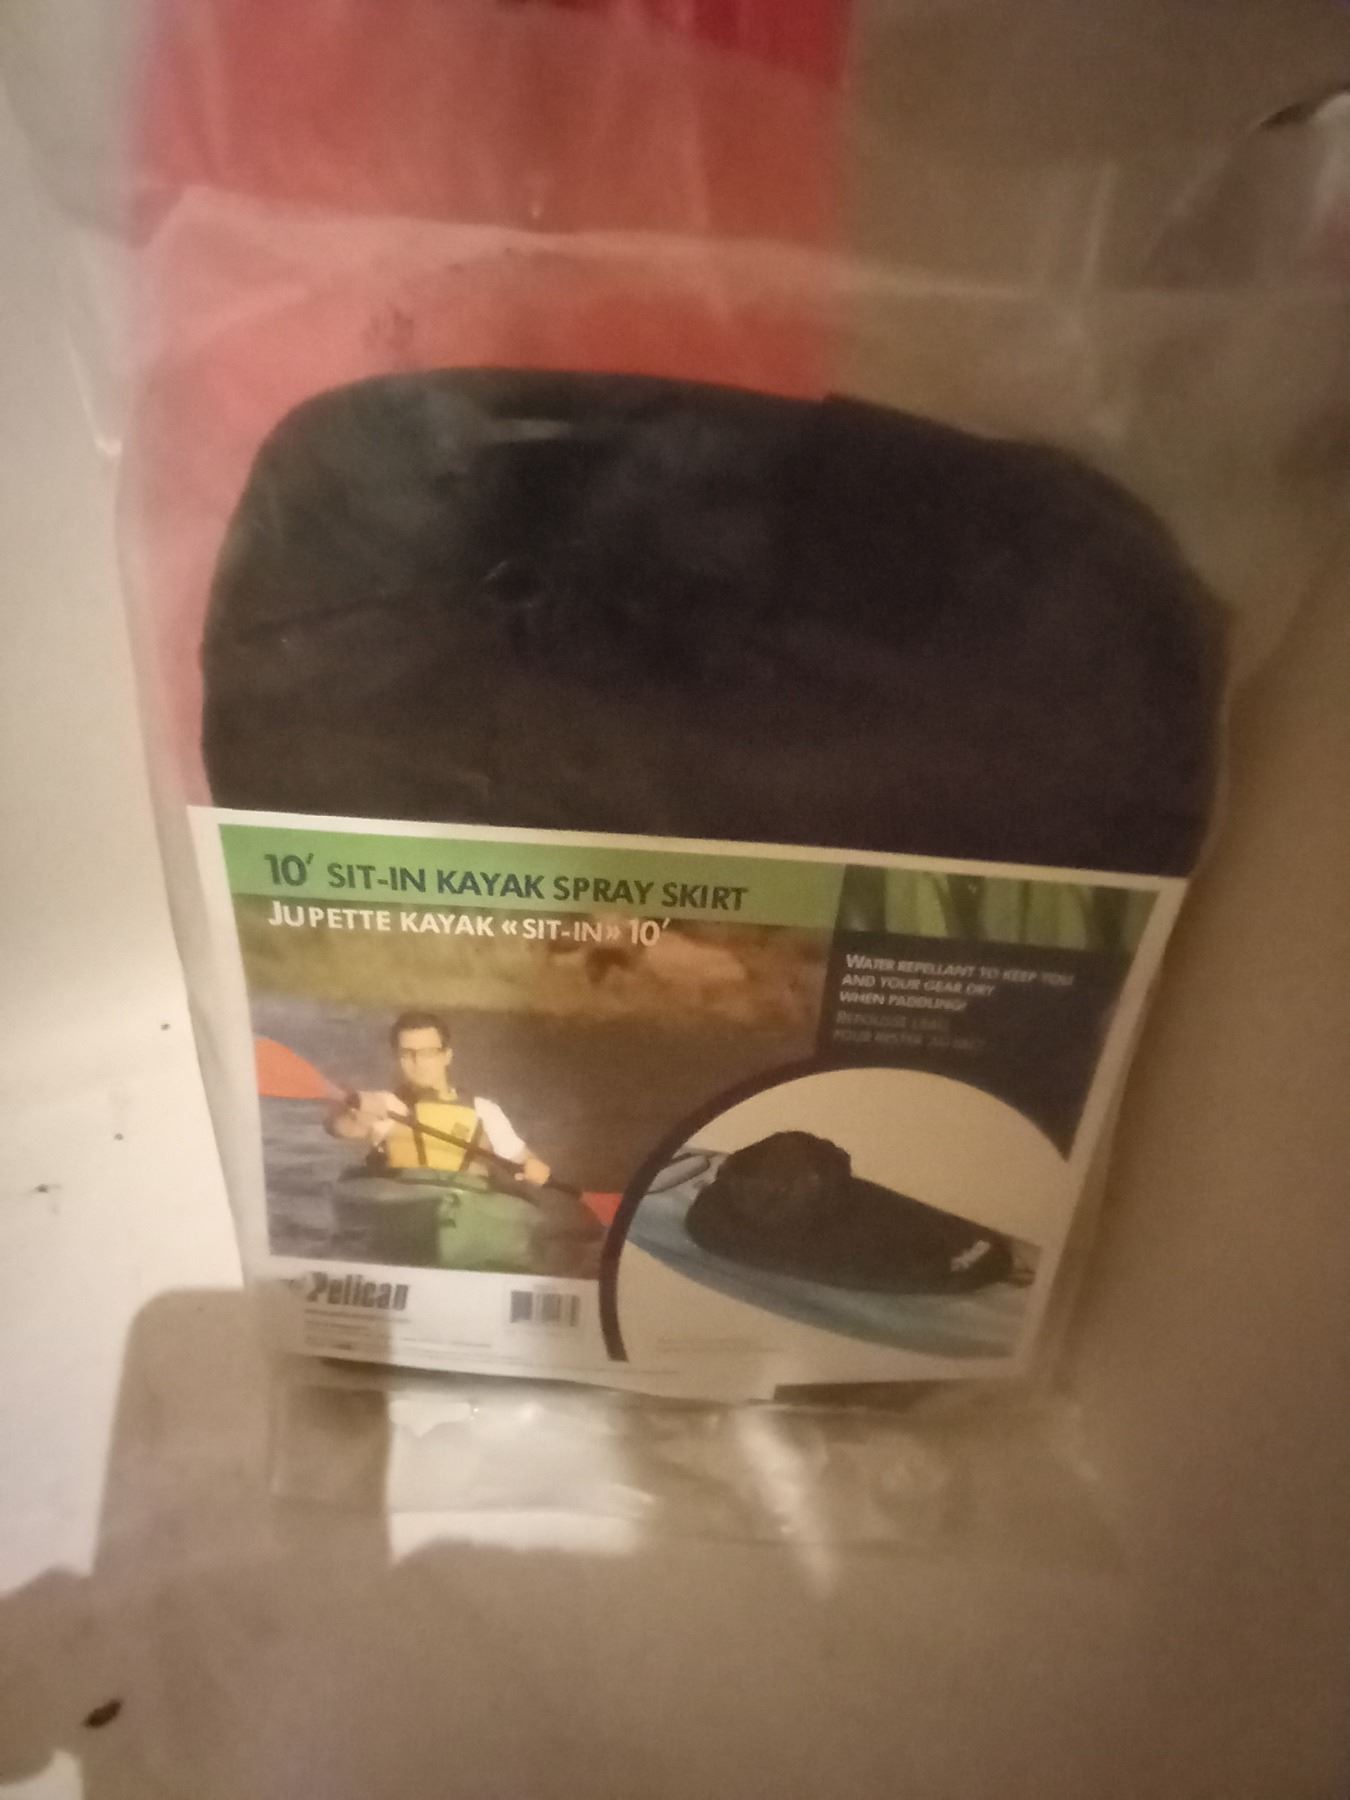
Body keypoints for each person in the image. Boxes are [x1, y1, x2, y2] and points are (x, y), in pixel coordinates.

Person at [327, 1011, 551, 1189]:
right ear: (397, 1058)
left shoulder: (484, 1111)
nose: (418, 1062)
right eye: (407, 1053)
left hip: (470, 1204)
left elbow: (524, 1159)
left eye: (428, 1053)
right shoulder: (386, 1104)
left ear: (446, 1056)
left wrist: (535, 1167)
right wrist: (353, 1112)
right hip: (405, 1202)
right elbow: (337, 1127)